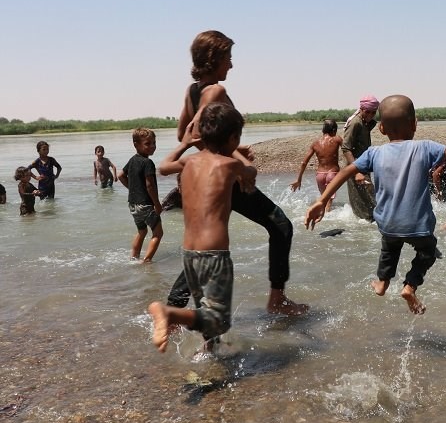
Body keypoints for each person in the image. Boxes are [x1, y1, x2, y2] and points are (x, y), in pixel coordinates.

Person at [305, 95, 446, 314]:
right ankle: (410, 286)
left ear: (381, 129)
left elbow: (345, 172)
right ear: (415, 124)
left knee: (389, 249)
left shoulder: (374, 153)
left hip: (388, 224)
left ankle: (382, 283)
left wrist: (322, 201)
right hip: (418, 225)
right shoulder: (425, 148)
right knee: (427, 252)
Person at [169, 30, 307, 315]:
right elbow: (200, 132)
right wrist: (238, 161)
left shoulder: (192, 90)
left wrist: (235, 146)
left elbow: (184, 134)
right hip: (226, 178)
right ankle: (277, 300)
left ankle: (173, 309)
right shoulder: (215, 91)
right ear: (213, 58)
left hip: (206, 175)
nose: (231, 65)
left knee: (205, 246)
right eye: (228, 58)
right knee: (280, 226)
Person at [149, 102, 256, 353]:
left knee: (203, 308)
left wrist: (186, 142)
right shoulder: (229, 165)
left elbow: (163, 166)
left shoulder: (188, 162)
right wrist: (239, 152)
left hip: (189, 253)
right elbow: (251, 172)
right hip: (214, 254)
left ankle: (208, 352)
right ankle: (168, 313)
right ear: (232, 137)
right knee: (219, 319)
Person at [118, 128, 164, 263]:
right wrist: (157, 204)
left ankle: (133, 258)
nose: (152, 146)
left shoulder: (132, 160)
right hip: (146, 205)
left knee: (142, 232)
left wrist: (132, 189)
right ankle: (146, 261)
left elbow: (120, 175)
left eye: (154, 143)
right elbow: (150, 186)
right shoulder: (147, 163)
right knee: (158, 233)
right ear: (136, 145)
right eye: (148, 143)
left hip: (133, 204)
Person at [290, 119, 343, 212]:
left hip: (320, 175)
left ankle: (317, 212)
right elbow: (347, 149)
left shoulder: (315, 143)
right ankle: (327, 217)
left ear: (323, 130)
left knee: (323, 199)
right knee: (328, 204)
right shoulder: (337, 139)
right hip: (332, 173)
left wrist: (298, 180)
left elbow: (304, 163)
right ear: (334, 130)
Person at [341, 95, 380, 221]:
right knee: (365, 198)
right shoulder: (355, 123)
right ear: (362, 109)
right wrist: (356, 171)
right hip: (355, 166)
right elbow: (346, 148)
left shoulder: (365, 122)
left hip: (362, 165)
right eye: (368, 112)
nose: (371, 114)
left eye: (374, 112)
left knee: (366, 199)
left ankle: (368, 223)